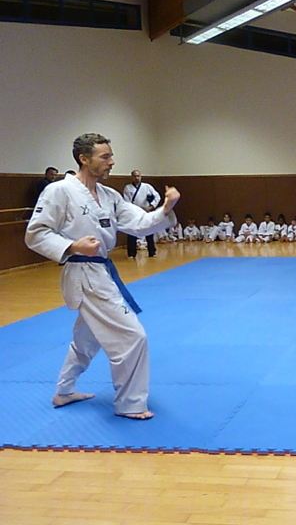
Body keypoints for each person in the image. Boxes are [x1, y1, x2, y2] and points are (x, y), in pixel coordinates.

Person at [25, 133, 180, 420]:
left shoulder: (109, 196)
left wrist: (166, 207)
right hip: (83, 272)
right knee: (132, 336)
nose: (111, 162)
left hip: (101, 271)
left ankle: (64, 391)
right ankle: (130, 404)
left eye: (111, 156)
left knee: (88, 337)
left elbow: (140, 223)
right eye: (105, 157)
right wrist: (73, 246)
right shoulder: (59, 191)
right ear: (84, 159)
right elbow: (35, 234)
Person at [123, 170, 161, 258]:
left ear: (141, 177)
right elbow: (126, 202)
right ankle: (131, 253)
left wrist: (151, 206)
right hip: (134, 213)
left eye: (138, 176)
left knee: (149, 232)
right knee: (132, 232)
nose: (136, 178)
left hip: (146, 211)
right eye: (134, 176)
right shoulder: (128, 188)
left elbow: (157, 197)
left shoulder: (147, 187)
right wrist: (134, 210)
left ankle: (152, 252)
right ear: (132, 177)